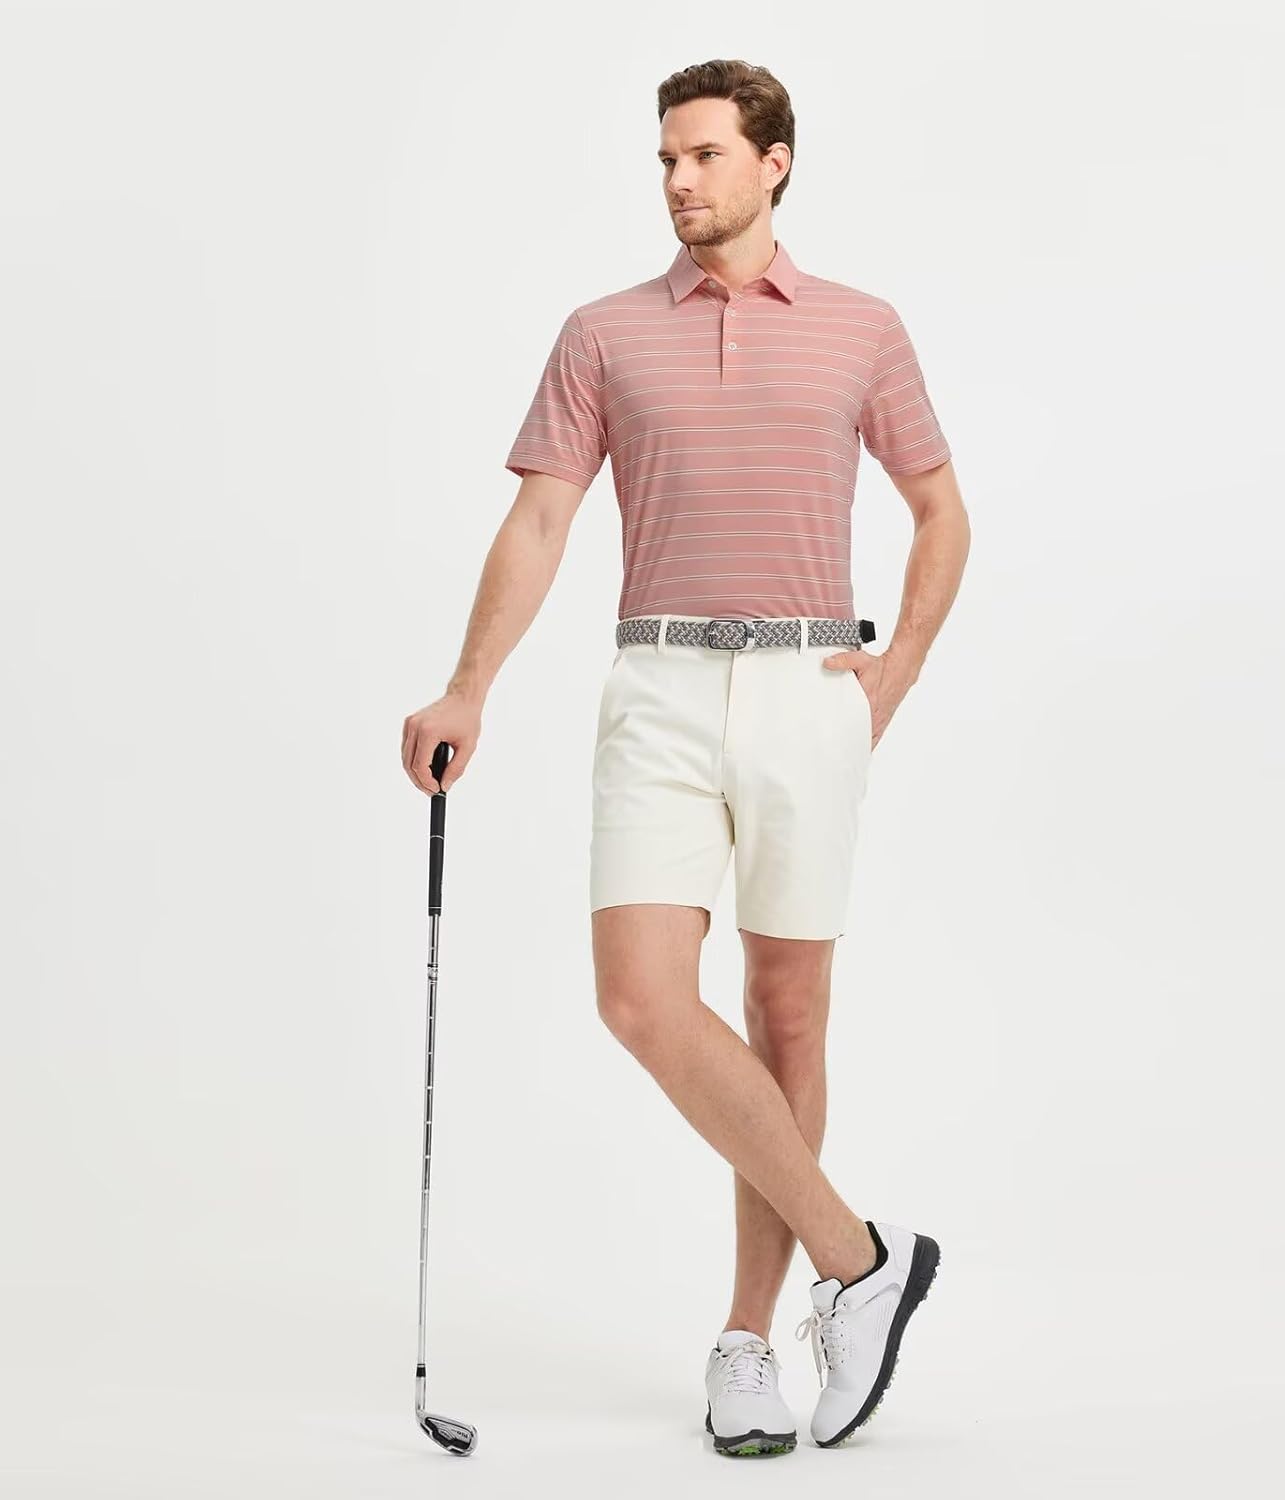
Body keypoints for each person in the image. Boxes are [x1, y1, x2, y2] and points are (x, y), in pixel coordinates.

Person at [400, 57, 970, 1455]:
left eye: (705, 154)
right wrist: (469, 685)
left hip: (809, 683)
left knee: (789, 1020)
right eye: (666, 157)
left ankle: (747, 1344)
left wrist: (894, 673)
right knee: (641, 996)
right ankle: (861, 1260)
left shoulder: (862, 328)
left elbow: (941, 512)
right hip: (656, 682)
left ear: (776, 163)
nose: (678, 179)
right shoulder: (603, 333)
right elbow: (541, 521)